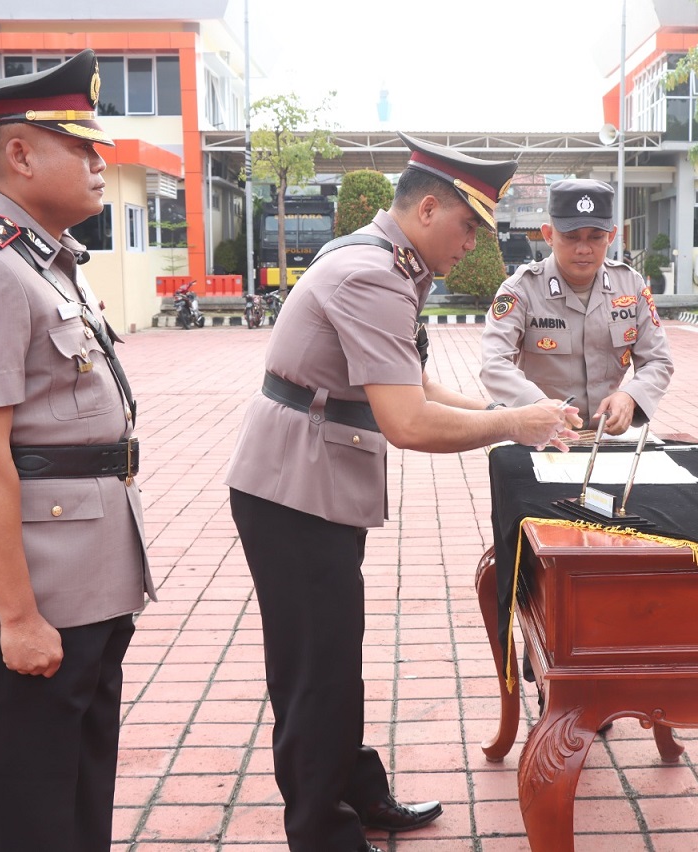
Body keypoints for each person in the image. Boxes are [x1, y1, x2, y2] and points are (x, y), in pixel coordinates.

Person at [225, 131, 579, 852]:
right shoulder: (373, 274)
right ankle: (321, 831)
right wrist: (514, 423)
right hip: (293, 491)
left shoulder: (389, 261)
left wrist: (509, 422)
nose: (474, 243)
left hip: (314, 480)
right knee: (310, 670)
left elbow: (411, 383)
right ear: (425, 209)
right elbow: (408, 421)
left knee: (334, 653)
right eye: (468, 225)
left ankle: (353, 792)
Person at [0, 51, 154, 852]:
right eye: (81, 146)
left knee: (76, 811)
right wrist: (17, 617)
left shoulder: (42, 259)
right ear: (19, 154)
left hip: (81, 585)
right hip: (27, 602)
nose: (98, 161)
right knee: (25, 825)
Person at [479, 179, 674, 434]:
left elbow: (658, 360)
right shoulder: (521, 289)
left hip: (605, 437)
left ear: (611, 236)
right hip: (540, 436)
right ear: (549, 235)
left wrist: (631, 396)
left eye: (596, 237)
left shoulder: (630, 286)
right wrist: (536, 406)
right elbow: (494, 362)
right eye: (571, 237)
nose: (583, 249)